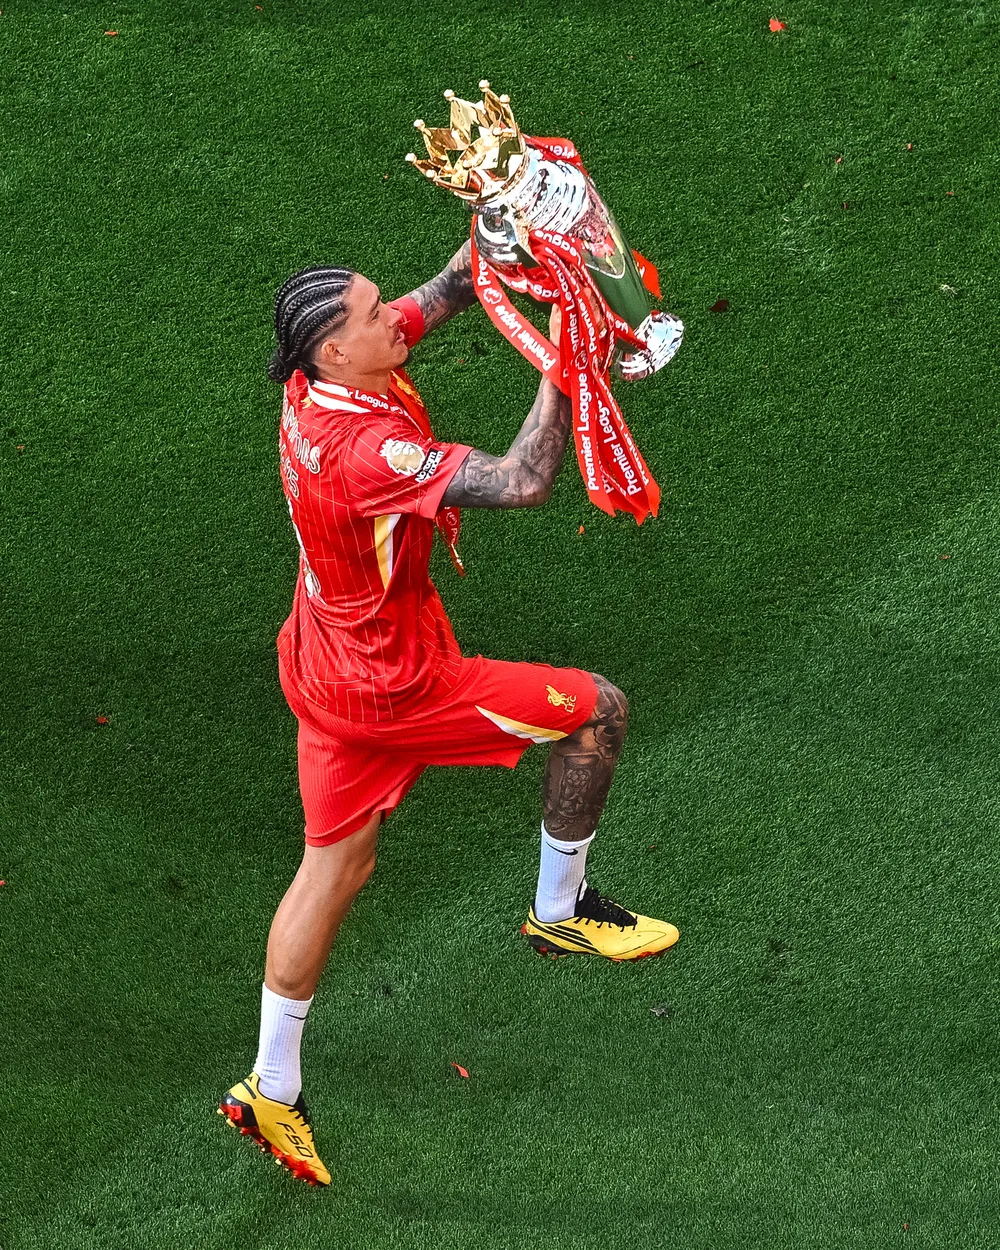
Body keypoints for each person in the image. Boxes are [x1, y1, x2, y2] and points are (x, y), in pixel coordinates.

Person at [217, 239, 679, 1186]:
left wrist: (508, 235)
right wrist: (566, 353)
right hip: (400, 684)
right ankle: (559, 908)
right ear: (334, 351)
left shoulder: (312, 385)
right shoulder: (363, 452)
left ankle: (270, 1085)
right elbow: (523, 480)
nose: (393, 316)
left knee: (334, 868)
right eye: (371, 314)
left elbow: (452, 287)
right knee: (596, 712)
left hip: (326, 662)